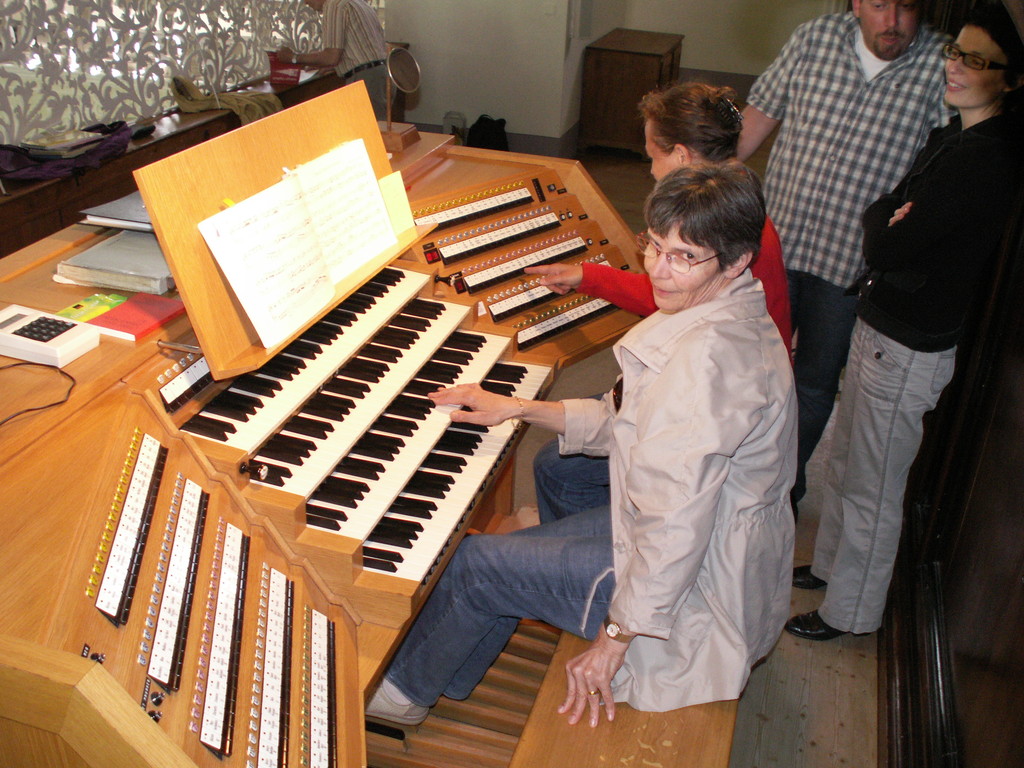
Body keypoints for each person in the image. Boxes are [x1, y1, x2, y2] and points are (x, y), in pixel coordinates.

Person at [365, 163, 796, 727]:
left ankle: (397, 699)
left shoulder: (705, 366)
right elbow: (629, 422)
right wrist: (517, 407)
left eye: (684, 257)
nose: (659, 273)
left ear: (737, 260)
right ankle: (483, 639)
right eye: (655, 246)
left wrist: (615, 639)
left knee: (475, 562)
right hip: (715, 539)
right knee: (556, 470)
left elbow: (676, 529)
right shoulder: (729, 307)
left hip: (700, 589)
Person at [786, 2, 1024, 641]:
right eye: (956, 53)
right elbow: (885, 211)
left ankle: (850, 614)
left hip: (910, 342)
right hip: (881, 323)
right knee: (844, 464)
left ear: (1010, 79)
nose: (955, 67)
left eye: (976, 61)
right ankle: (831, 568)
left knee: (872, 484)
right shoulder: (954, 136)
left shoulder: (986, 158)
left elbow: (888, 243)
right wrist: (888, 218)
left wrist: (888, 223)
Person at [527, 82, 792, 524]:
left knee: (556, 468)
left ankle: (594, 564)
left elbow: (665, 303)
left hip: (723, 401)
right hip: (729, 379)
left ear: (682, 156)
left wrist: (591, 276)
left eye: (653, 155)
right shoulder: (734, 207)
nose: (651, 170)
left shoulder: (729, 231)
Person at [736, 0, 951, 511]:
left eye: (906, 7)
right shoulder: (814, 38)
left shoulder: (941, 63)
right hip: (775, 246)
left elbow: (946, 161)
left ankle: (779, 493)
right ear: (857, 3)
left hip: (849, 266)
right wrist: (698, 188)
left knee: (813, 384)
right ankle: (732, 479)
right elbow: (757, 120)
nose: (893, 21)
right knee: (743, 364)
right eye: (879, 5)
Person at [277, 0, 388, 119]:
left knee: (368, 132)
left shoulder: (333, 6)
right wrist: (336, 66)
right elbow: (362, 48)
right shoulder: (358, 3)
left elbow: (331, 57)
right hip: (382, 74)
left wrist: (293, 58)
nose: (305, 2)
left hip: (366, 79)